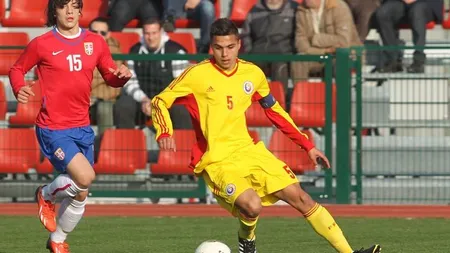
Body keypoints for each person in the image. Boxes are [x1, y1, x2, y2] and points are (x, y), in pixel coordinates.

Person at [150, 18, 381, 253]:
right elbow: (159, 100)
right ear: (211, 46)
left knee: (302, 198)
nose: (225, 54)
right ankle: (246, 239)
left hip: (249, 152)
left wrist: (307, 145)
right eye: (218, 48)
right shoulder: (196, 75)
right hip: (217, 160)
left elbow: (274, 111)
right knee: (252, 206)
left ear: (239, 44)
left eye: (230, 47)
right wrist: (164, 131)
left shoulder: (253, 74)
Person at [8, 0, 132, 252]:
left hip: (82, 127)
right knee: (85, 176)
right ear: (55, 10)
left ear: (80, 10)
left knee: (81, 192)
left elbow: (109, 76)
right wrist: (19, 88)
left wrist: (121, 77)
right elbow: (17, 69)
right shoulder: (42, 43)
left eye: (74, 6)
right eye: (64, 6)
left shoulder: (95, 42)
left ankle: (57, 241)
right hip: (53, 127)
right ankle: (46, 194)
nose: (70, 12)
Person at [88, 17, 124, 137]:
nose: (98, 35)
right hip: (80, 98)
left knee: (104, 108)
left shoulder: (115, 53)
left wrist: (95, 97)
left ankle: (104, 147)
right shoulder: (76, 48)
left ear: (108, 35)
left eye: (102, 33)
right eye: (94, 32)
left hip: (103, 100)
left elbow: (116, 87)